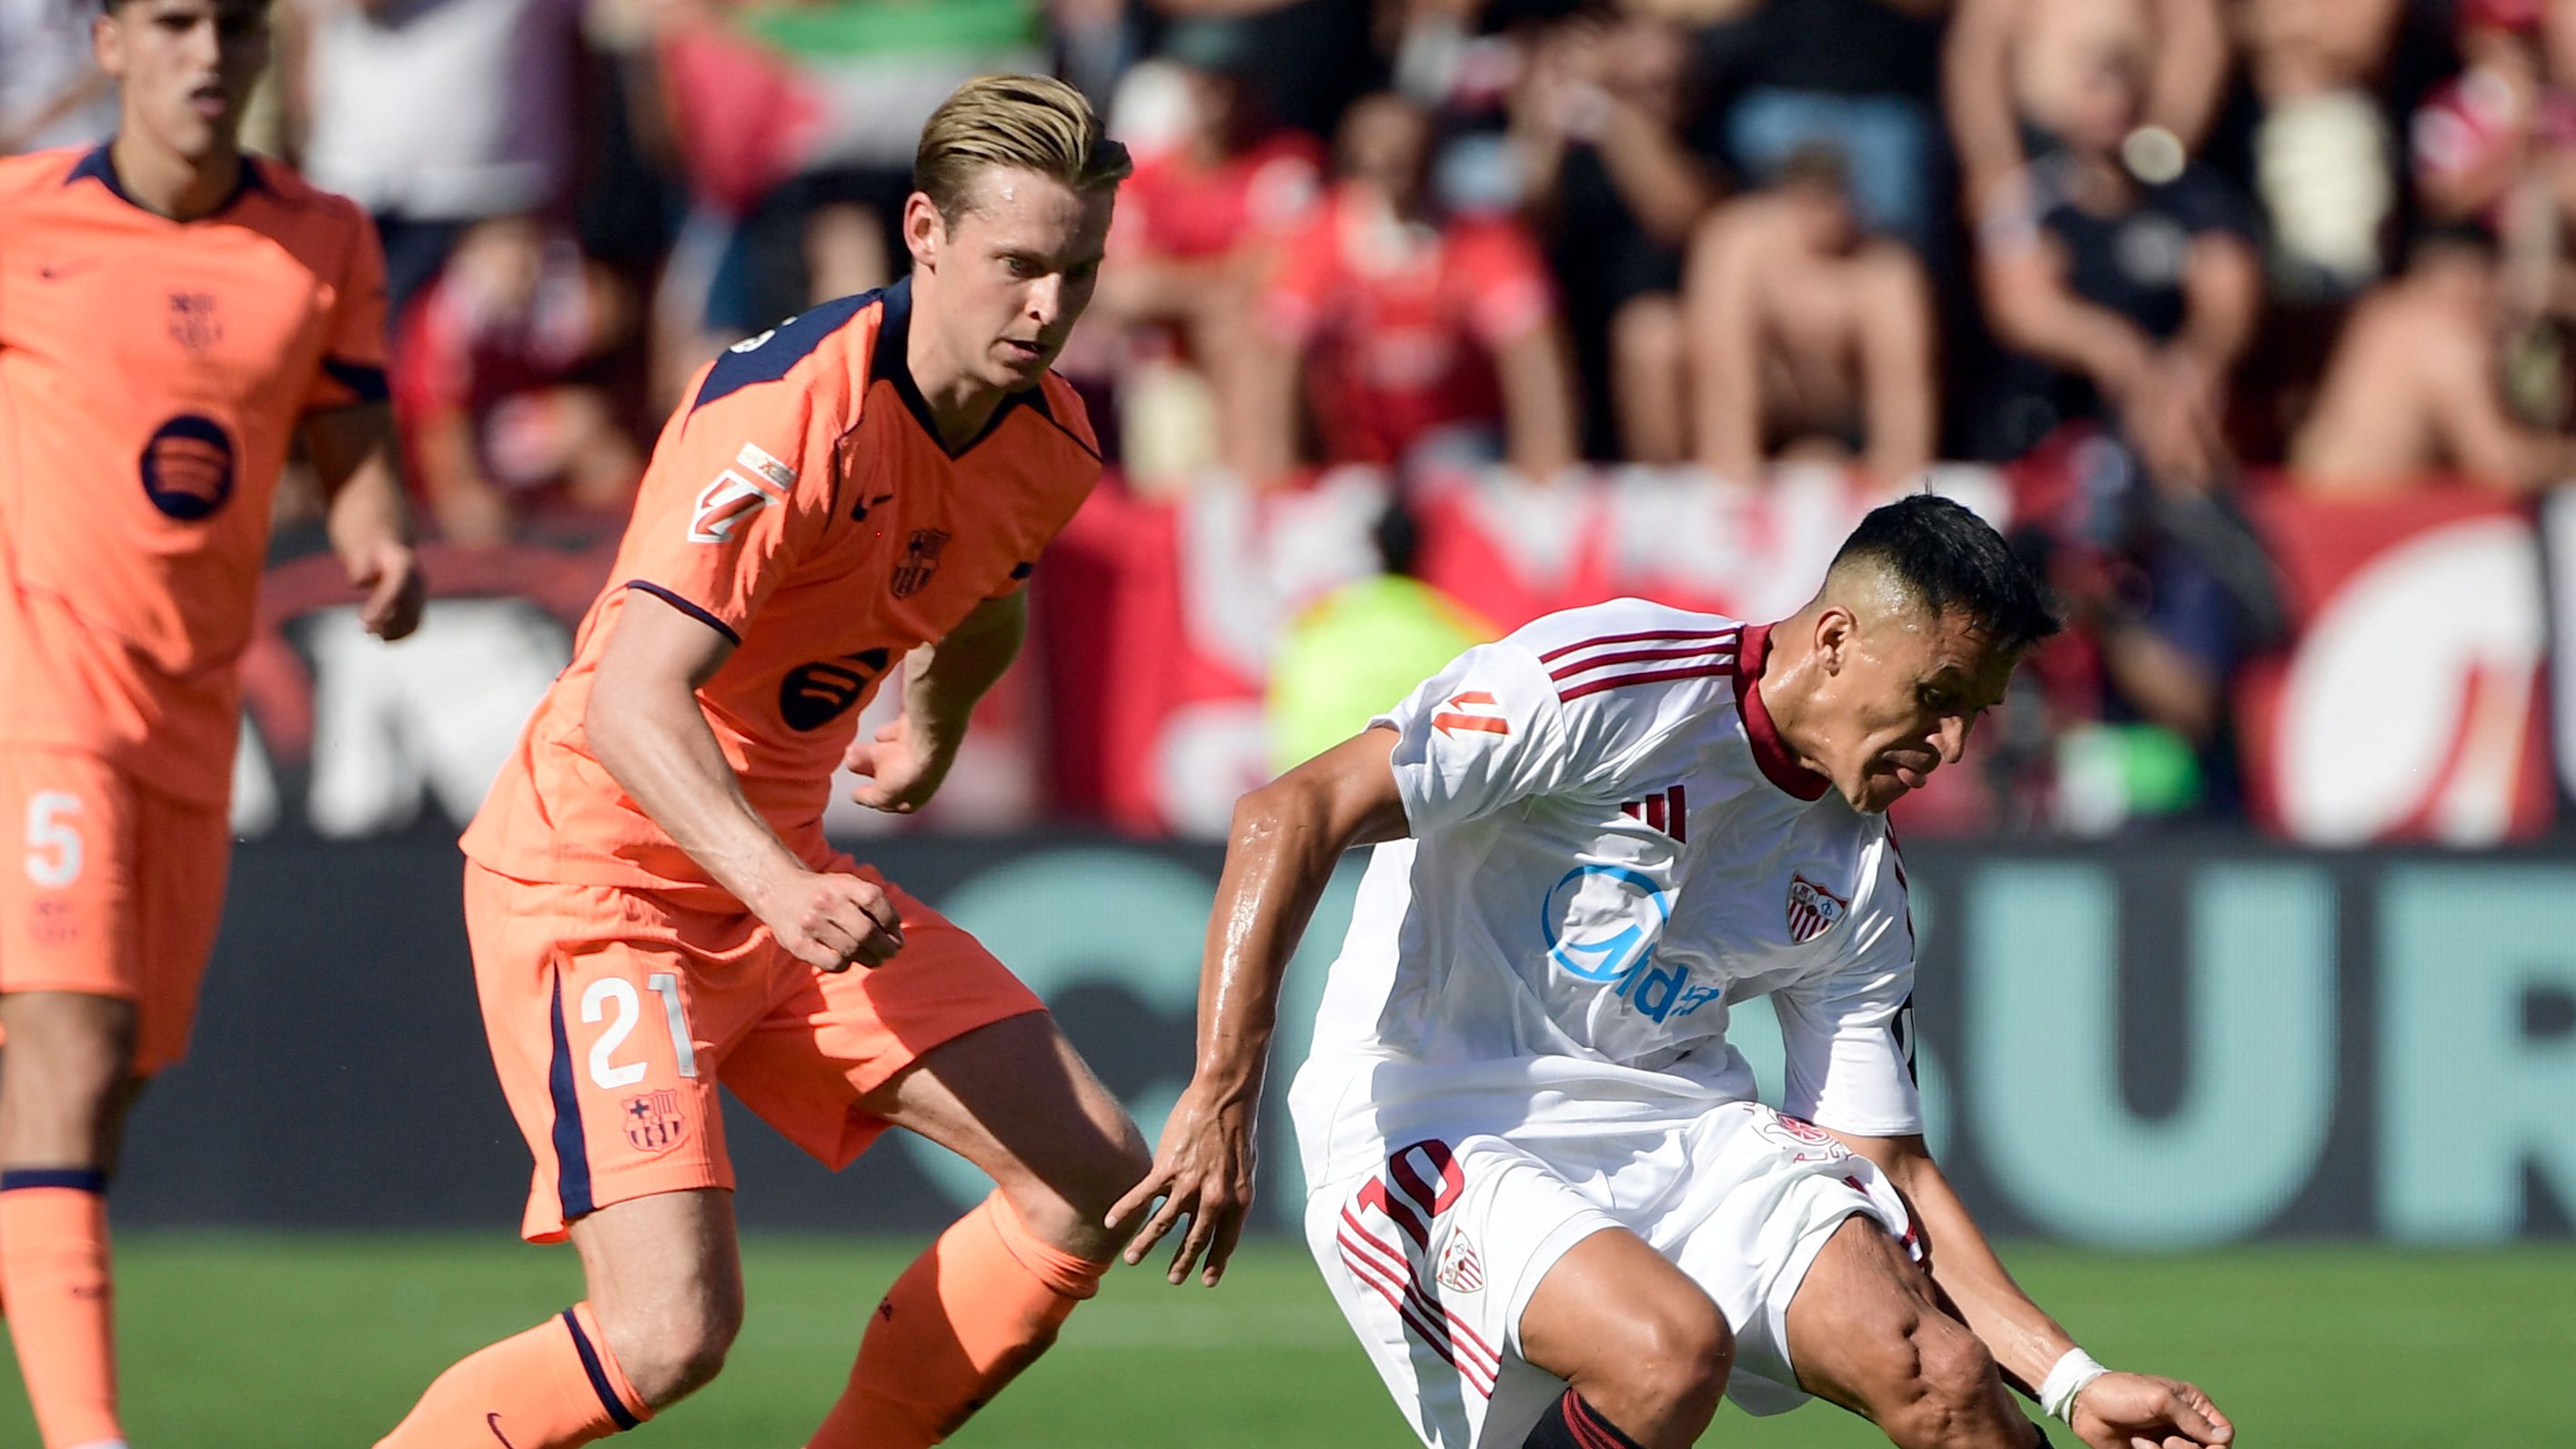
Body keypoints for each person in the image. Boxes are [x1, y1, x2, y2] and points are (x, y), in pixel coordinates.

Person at [1117, 495, 2238, 1449]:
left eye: (1975, 718)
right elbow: (1289, 811)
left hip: (1678, 1131)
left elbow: (1885, 1160)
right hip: (1437, 1116)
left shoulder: (1857, 872)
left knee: (1945, 1380)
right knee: (1666, 1353)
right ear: (1838, 638)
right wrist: (1220, 1092)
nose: (1949, 750)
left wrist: (2070, 1377)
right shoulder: (1610, 680)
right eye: (1939, 700)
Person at [372, 75, 1148, 1449]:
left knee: (1092, 1170)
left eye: (1075, 272)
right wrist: (784, 892)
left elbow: (994, 590)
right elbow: (628, 703)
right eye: (1018, 265)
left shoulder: (1053, 440)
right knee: (668, 1333)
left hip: (782, 882)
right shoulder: (786, 410)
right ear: (924, 229)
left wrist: (938, 722)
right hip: (605, 883)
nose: (1047, 306)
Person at [0, 0, 426, 1444]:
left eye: (235, 28)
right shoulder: (16, 214)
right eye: (174, 22)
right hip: (40, 696)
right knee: (68, 1035)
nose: (208, 56)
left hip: (195, 712)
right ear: (108, 42)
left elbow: (350, 426)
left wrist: (377, 531)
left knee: (103, 1085)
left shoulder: (324, 240)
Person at [1241, 91, 1578, 485]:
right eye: (1378, 145)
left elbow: (1532, 352)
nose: (1393, 159)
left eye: (1408, 147)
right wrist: (1275, 477)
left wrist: (1547, 473)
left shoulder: (1483, 240)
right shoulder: (1318, 239)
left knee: (1447, 467)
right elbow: (1274, 354)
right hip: (1354, 462)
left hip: (1461, 452)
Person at [1685, 145, 1937, 487]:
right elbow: (1721, 364)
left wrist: (1896, 485)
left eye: (1833, 199)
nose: (1825, 215)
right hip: (1762, 422)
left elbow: (1902, 393)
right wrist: (1732, 477)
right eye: (1812, 200)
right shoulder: (1739, 244)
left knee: (1816, 463)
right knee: (1652, 340)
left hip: (1838, 434)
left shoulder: (1882, 269)